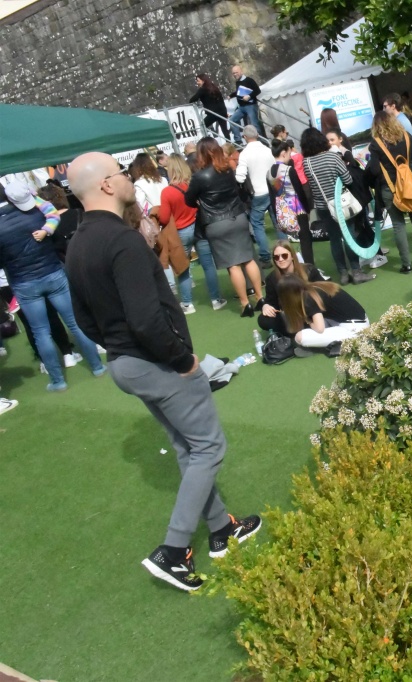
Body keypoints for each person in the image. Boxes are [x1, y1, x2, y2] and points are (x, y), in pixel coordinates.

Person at [64, 151, 262, 592]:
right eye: (121, 173)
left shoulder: (77, 242)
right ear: (108, 186)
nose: (130, 177)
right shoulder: (121, 239)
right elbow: (146, 319)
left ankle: (221, 529)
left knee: (188, 447)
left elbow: (83, 319)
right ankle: (173, 551)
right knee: (208, 447)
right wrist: (182, 360)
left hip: (126, 362)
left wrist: (122, 347)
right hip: (155, 360)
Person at [0, 180, 106, 391]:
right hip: (52, 273)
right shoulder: (36, 210)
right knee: (75, 323)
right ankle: (97, 367)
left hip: (24, 283)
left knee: (41, 332)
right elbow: (54, 221)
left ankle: (58, 380)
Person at [184, 138, 264, 316]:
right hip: (238, 217)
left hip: (216, 222)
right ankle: (260, 297)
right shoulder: (228, 170)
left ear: (201, 154)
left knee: (233, 265)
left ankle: (245, 304)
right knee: (248, 258)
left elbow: (188, 200)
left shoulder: (199, 176)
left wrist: (200, 200)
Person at [301, 127, 373, 285]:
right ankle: (356, 271)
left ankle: (343, 273)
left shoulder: (306, 163)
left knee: (334, 239)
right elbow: (347, 180)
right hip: (342, 204)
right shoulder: (333, 158)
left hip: (323, 207)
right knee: (349, 236)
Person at [159, 155, 226, 312]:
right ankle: (216, 299)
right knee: (208, 265)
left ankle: (188, 304)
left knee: (182, 268)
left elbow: (163, 217)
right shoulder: (192, 184)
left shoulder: (167, 192)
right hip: (199, 227)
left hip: (181, 232)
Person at [366, 112, 412, 274]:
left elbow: (373, 170)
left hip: (390, 189)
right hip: (410, 187)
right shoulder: (406, 136)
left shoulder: (376, 144)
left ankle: (407, 265)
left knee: (398, 225)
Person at [277, 272, 368, 352]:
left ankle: (321, 346)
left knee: (299, 337)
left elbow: (320, 328)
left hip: (354, 330)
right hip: (356, 321)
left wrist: (307, 320)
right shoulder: (314, 287)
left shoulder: (308, 299)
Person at [258, 240, 327, 335]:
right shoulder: (272, 278)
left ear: (292, 256)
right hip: (290, 313)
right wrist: (266, 306)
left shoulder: (309, 270)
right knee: (264, 320)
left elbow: (324, 291)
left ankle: (303, 328)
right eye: (276, 257)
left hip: (311, 310)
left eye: (284, 255)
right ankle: (295, 330)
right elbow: (271, 302)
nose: (280, 259)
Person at [236, 125, 275, 266]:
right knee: (278, 223)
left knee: (257, 224)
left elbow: (239, 178)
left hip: (258, 193)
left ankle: (265, 256)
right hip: (272, 189)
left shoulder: (244, 154)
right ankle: (285, 250)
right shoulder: (268, 150)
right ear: (258, 134)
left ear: (245, 138)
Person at [269, 139, 307, 249]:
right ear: (283, 153)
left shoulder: (269, 172)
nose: (290, 156)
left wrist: (277, 215)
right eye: (289, 153)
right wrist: (307, 208)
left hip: (282, 210)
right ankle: (308, 264)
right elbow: (299, 191)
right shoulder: (289, 170)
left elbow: (272, 196)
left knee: (287, 242)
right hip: (297, 208)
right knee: (305, 238)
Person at [229, 64, 263, 143]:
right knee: (232, 120)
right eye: (233, 73)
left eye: (236, 72)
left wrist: (249, 96)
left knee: (255, 124)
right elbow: (238, 92)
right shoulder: (238, 82)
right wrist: (231, 95)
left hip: (251, 105)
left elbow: (258, 90)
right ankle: (238, 140)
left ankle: (260, 141)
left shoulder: (249, 80)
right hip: (241, 107)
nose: (235, 75)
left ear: (241, 71)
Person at [190, 73, 229, 138]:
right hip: (221, 111)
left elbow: (193, 99)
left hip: (212, 113)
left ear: (203, 81)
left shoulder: (202, 89)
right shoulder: (214, 87)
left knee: (202, 126)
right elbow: (221, 99)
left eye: (198, 81)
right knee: (224, 129)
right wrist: (225, 111)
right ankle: (230, 144)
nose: (197, 83)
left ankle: (206, 142)